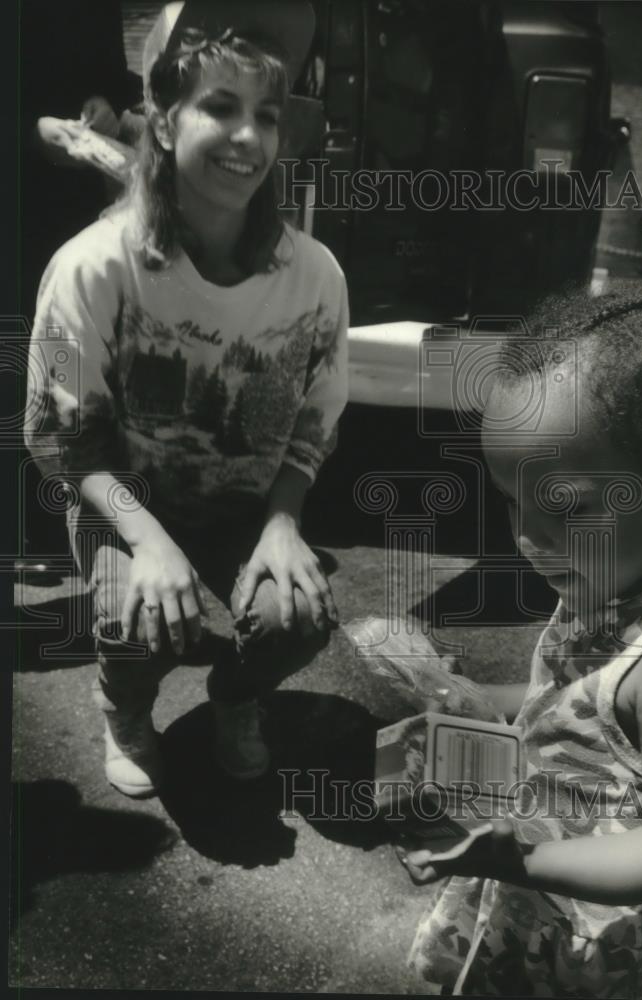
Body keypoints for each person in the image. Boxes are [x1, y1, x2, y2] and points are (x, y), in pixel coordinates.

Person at [24, 0, 349, 800]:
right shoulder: (89, 268)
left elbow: (313, 426)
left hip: (240, 507)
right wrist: (148, 543)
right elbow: (60, 436)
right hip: (119, 502)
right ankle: (124, 702)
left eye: (267, 116)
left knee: (298, 613)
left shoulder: (316, 278)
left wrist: (282, 524)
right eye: (220, 107)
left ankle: (236, 697)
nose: (248, 138)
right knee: (143, 611)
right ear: (164, 123)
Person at [399, 287, 642, 998]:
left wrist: (521, 863)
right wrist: (482, 700)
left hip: (600, 943)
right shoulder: (605, 567)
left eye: (564, 506)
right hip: (540, 893)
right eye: (514, 500)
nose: (527, 539)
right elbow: (584, 696)